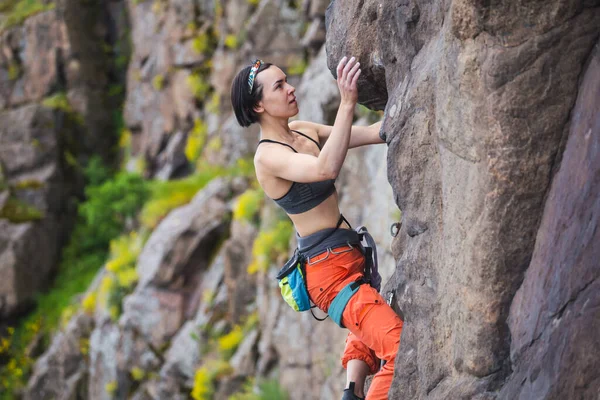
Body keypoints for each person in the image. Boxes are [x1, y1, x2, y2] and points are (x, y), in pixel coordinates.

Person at [230, 57, 403, 400]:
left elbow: (371, 133)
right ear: (259, 105)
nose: (291, 88)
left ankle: (351, 392)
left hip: (346, 258)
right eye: (279, 86)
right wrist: (348, 101)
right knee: (399, 348)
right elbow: (325, 168)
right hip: (328, 273)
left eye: (287, 80)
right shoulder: (267, 157)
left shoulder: (305, 130)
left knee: (368, 329)